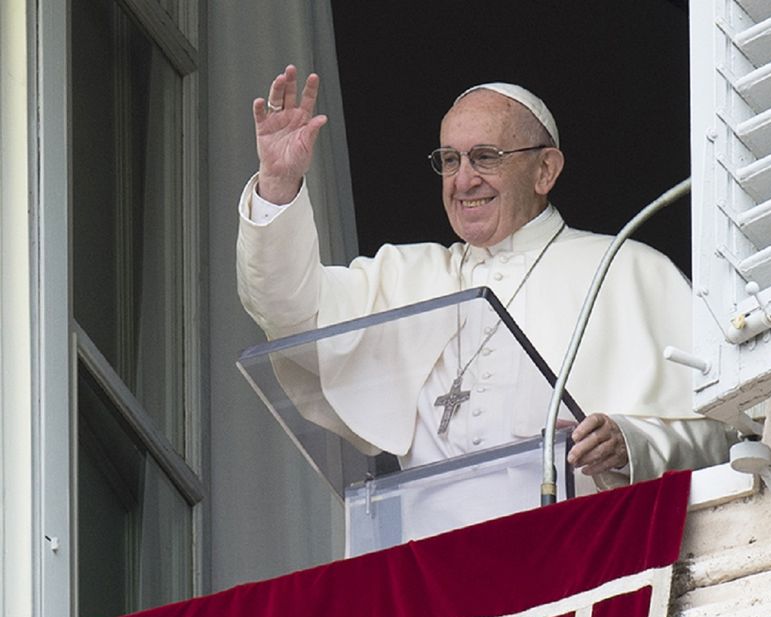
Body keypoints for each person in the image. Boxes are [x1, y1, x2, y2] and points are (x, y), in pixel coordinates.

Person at [237, 65, 730, 490]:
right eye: (449, 160)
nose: (464, 179)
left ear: (545, 171)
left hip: (580, 553)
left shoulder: (627, 269)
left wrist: (631, 443)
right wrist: (278, 184)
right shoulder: (406, 276)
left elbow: (728, 432)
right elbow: (291, 314)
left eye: (486, 157)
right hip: (435, 564)